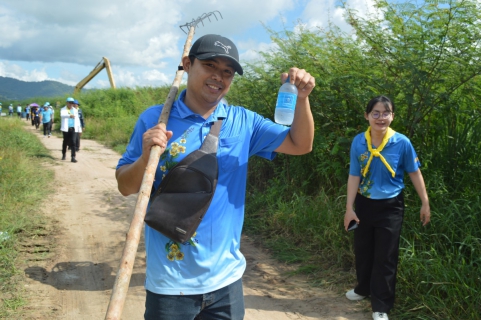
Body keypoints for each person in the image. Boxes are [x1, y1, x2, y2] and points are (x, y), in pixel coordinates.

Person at [115, 34, 315, 320]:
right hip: (170, 285)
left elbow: (300, 144)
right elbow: (125, 186)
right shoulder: (154, 119)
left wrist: (303, 100)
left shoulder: (244, 121)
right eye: (209, 65)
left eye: (227, 72)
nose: (218, 77)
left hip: (226, 283)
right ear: (187, 64)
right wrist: (146, 156)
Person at [343, 95, 431, 320]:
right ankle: (363, 288)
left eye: (386, 113)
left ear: (392, 116)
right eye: (376, 113)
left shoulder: (401, 142)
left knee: (386, 254)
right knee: (363, 249)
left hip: (391, 206)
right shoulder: (358, 142)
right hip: (364, 203)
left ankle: (381, 304)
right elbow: (354, 175)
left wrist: (425, 202)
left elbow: (414, 172)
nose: (380, 118)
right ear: (367, 116)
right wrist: (349, 208)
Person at [60, 97, 81, 162]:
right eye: (70, 102)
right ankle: (64, 154)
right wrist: (69, 116)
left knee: (73, 142)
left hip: (73, 128)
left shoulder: (75, 110)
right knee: (65, 142)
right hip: (66, 128)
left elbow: (77, 120)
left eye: (72, 103)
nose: (71, 104)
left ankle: (73, 157)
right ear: (67, 103)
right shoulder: (63, 109)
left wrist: (79, 129)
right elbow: (62, 115)